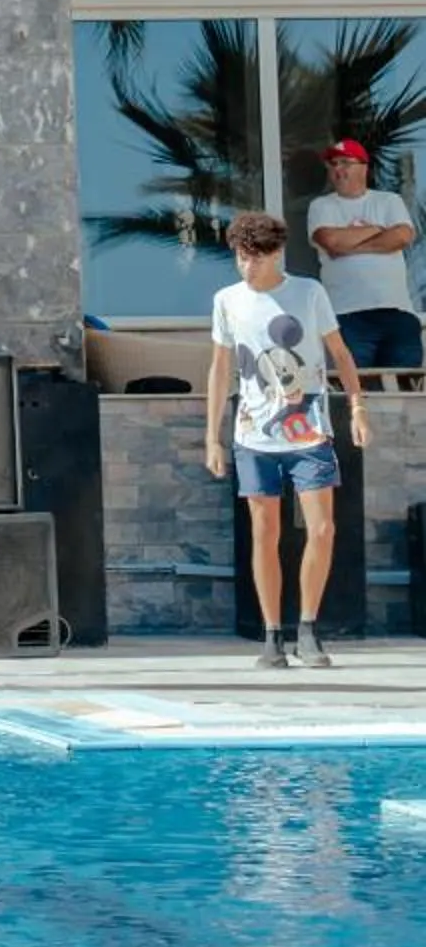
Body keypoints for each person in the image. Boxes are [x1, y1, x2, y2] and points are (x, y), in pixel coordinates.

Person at [205, 210, 368, 668]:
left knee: (321, 528)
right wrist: (212, 437)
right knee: (264, 531)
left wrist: (357, 407)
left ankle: (309, 629)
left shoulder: (308, 292)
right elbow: (220, 370)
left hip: (309, 426)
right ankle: (272, 635)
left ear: (276, 253)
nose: (246, 266)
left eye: (254, 257)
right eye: (239, 257)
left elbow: (339, 352)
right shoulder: (227, 300)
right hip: (253, 431)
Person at [305, 140, 419, 379]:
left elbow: (402, 236)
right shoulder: (322, 205)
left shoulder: (388, 201)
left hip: (397, 312)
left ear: (364, 167)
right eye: (333, 164)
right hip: (347, 315)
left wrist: (351, 246)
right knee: (354, 390)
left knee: (406, 387)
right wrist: (377, 229)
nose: (338, 169)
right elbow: (331, 242)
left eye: (345, 162)